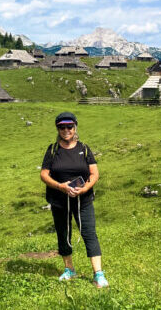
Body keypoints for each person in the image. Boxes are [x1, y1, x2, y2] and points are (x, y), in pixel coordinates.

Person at [40, 112, 108, 288]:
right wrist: (61, 186)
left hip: (83, 201)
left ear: (75, 127)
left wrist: (85, 188)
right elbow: (44, 174)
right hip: (59, 202)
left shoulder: (84, 148)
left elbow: (94, 173)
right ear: (58, 129)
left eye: (69, 126)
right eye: (61, 127)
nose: (66, 130)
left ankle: (98, 274)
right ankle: (69, 268)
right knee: (63, 234)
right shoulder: (52, 150)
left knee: (89, 234)